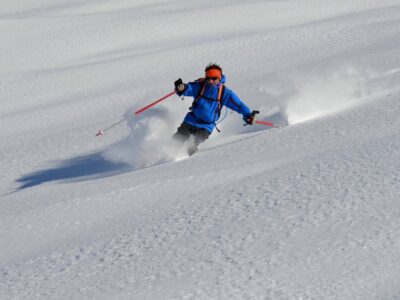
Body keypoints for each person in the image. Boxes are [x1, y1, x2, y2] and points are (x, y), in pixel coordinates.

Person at [173, 63, 258, 155]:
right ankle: (166, 156)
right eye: (208, 78)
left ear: (219, 78)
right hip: (191, 120)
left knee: (194, 143)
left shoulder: (225, 93)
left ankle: (184, 161)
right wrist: (181, 88)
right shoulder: (200, 86)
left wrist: (248, 115)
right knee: (178, 140)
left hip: (206, 126)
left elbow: (238, 105)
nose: (211, 81)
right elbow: (188, 89)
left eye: (214, 78)